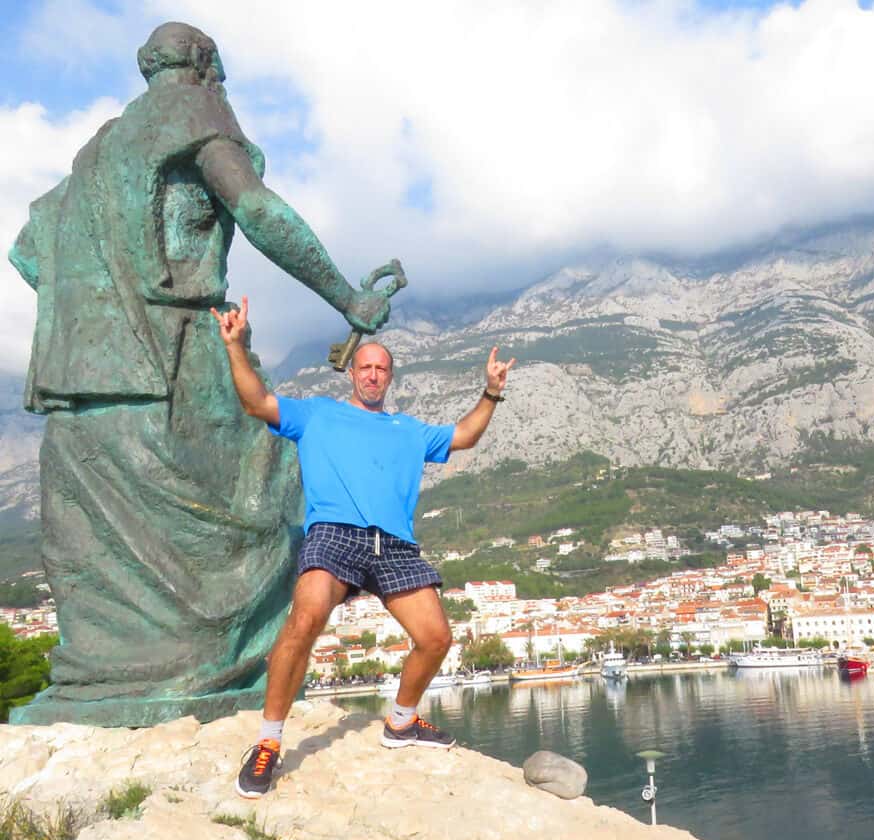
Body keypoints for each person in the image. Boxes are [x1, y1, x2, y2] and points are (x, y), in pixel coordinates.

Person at [7, 21, 391, 726]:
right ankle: (225, 668)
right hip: (178, 347)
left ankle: (113, 684)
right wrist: (347, 297)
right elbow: (258, 210)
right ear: (206, 68)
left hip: (84, 370)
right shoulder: (197, 111)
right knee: (272, 483)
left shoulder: (98, 152)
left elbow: (28, 254)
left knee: (104, 535)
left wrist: (103, 314)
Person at [213, 297, 514, 798]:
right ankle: (268, 743)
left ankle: (401, 722)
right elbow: (256, 402)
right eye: (366, 368)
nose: (373, 376)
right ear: (352, 373)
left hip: (394, 544)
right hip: (335, 533)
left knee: (436, 637)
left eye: (382, 369)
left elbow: (464, 436)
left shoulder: (410, 430)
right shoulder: (318, 415)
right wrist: (235, 347)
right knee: (305, 619)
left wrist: (490, 393)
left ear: (390, 378)